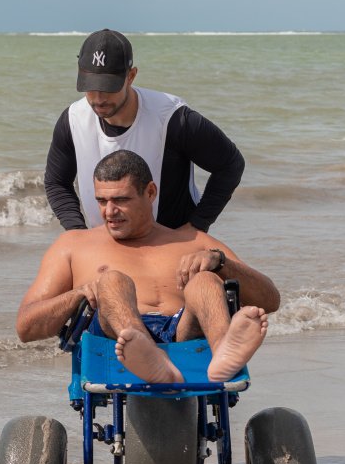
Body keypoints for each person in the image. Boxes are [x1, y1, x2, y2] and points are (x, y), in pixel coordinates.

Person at [19, 150, 279, 384]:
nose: (109, 211)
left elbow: (270, 299)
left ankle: (224, 349)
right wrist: (77, 295)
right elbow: (26, 327)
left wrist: (221, 263)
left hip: (183, 330)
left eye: (121, 200)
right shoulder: (73, 245)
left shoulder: (194, 241)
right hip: (118, 339)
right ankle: (147, 351)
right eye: (102, 201)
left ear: (150, 192)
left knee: (206, 281)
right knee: (112, 281)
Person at [44, 28, 245, 233]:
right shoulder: (73, 120)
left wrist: (197, 226)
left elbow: (230, 164)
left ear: (131, 76)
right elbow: (56, 182)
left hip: (172, 240)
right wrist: (77, 232)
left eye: (108, 87)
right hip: (105, 242)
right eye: (90, 86)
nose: (98, 97)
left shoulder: (173, 119)